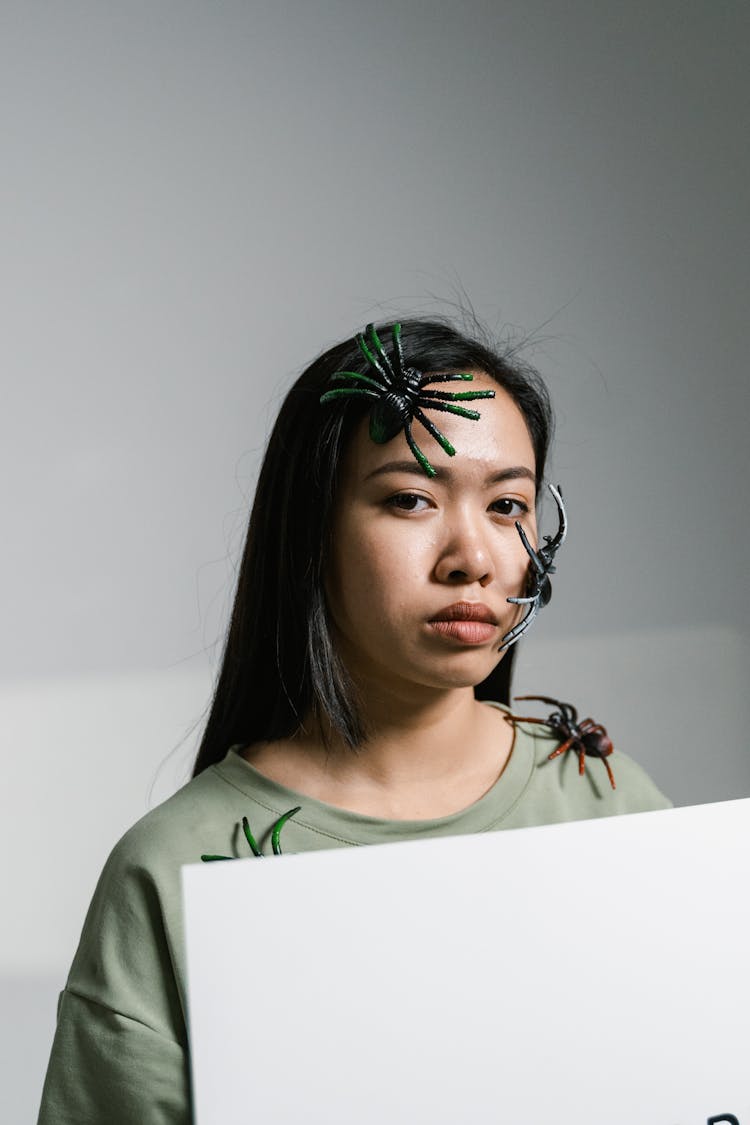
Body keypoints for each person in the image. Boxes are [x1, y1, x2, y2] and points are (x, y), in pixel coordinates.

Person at [37, 316, 671, 1123]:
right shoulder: (170, 870)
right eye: (410, 498)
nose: (472, 556)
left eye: (508, 502)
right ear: (312, 529)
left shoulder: (605, 799)